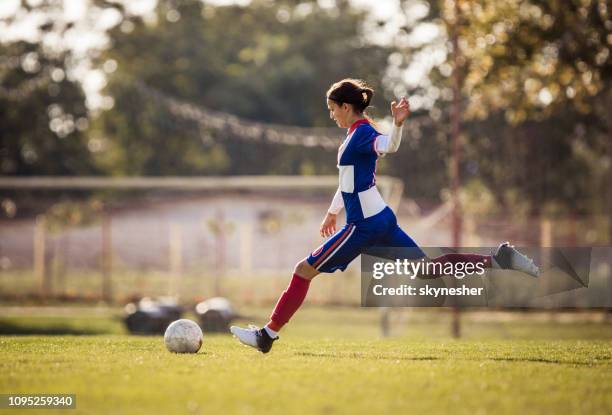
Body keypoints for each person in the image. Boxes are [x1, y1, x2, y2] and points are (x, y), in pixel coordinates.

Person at [230, 78, 539, 353]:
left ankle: (266, 335)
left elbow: (388, 145)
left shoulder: (363, 133)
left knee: (302, 270)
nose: (331, 114)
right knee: (427, 271)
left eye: (332, 108)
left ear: (347, 107)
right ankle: (500, 258)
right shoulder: (353, 135)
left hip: (363, 226)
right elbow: (348, 183)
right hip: (380, 220)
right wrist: (332, 212)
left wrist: (399, 124)